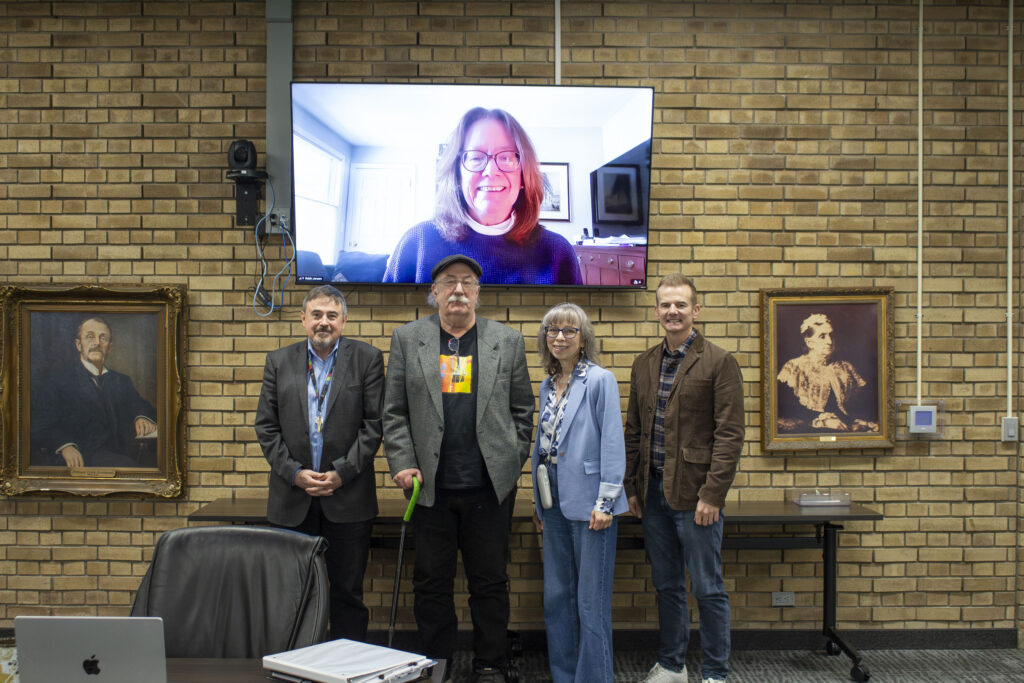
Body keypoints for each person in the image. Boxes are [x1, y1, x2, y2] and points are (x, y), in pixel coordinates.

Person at [383, 254, 534, 683]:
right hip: (430, 488)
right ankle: (437, 663)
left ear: (478, 293)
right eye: (449, 282)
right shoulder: (408, 339)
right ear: (434, 292)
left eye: (467, 282)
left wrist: (511, 461)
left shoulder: (506, 341)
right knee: (431, 582)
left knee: (490, 581)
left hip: (489, 487)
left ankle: (491, 663)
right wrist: (403, 463)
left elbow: (523, 411)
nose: (459, 290)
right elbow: (393, 412)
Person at [624, 274, 745, 683]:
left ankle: (715, 672)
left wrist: (713, 494)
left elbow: (730, 435)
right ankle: (673, 665)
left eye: (680, 304)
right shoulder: (644, 363)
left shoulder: (719, 362)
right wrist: (632, 487)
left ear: (696, 310)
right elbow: (635, 432)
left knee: (708, 587)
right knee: (667, 586)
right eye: (665, 305)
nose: (672, 311)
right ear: (656, 310)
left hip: (696, 498)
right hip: (653, 495)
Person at [254, 285, 385, 642]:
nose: (323, 322)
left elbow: (374, 426)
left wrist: (342, 473)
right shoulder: (278, 361)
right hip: (292, 499)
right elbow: (266, 428)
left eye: (331, 315)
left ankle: (347, 664)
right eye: (316, 315)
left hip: (348, 499)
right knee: (292, 595)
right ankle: (294, 662)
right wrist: (294, 474)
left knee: (347, 593)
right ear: (303, 319)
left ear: (344, 320)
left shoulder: (367, 359)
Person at [530, 302, 626, 683]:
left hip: (590, 502)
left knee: (590, 603)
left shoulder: (601, 380)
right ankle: (564, 676)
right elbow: (544, 446)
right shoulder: (547, 385)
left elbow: (612, 444)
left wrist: (606, 502)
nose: (559, 337)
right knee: (557, 598)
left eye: (569, 330)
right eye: (552, 330)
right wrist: (539, 503)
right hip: (552, 499)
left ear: (583, 338)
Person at [382, 107, 583, 285]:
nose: (491, 171)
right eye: (476, 157)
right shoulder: (417, 243)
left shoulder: (558, 253)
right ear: (457, 174)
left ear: (523, 175)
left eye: (506, 157)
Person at [31, 316, 157, 468]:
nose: (97, 342)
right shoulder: (59, 381)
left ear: (109, 348)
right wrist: (65, 445)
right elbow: (41, 424)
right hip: (79, 458)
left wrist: (141, 416)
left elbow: (138, 403)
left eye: (103, 338)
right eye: (90, 336)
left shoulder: (121, 380)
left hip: (119, 453)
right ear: (79, 345)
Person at [776, 313, 878, 433]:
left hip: (844, 428)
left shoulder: (845, 367)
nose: (829, 341)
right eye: (822, 336)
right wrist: (823, 421)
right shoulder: (794, 367)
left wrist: (860, 422)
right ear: (809, 343)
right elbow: (788, 408)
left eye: (831, 335)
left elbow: (858, 405)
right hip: (810, 430)